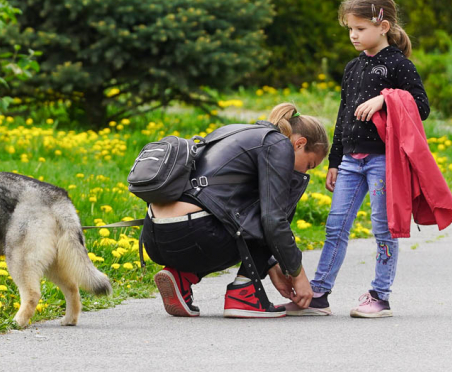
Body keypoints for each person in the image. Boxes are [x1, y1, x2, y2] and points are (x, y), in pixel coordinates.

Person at [302, 0, 430, 319]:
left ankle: (380, 296)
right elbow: (344, 115)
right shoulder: (352, 68)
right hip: (350, 162)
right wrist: (334, 160)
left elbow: (421, 105)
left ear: (383, 26)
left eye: (361, 29)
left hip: (384, 162)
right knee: (335, 226)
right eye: (350, 30)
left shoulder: (398, 66)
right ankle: (319, 294)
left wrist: (387, 98)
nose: (354, 36)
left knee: (383, 229)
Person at [141, 103, 330, 318]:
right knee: (280, 210)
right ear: (299, 143)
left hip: (155, 236)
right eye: (310, 164)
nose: (306, 172)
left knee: (265, 210)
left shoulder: (236, 131)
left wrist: (271, 265)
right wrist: (298, 274)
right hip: (197, 234)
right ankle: (244, 293)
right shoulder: (278, 144)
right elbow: (273, 221)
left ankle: (182, 275)